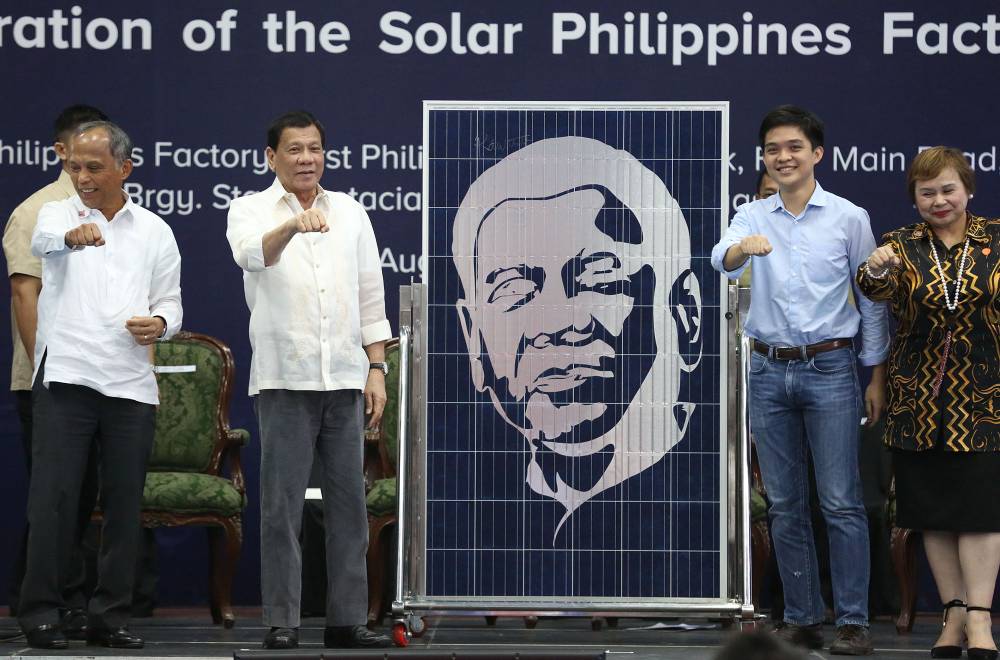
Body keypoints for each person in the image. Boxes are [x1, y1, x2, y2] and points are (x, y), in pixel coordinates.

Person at [452, 135, 703, 527]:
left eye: (600, 278)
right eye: (513, 291)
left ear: (686, 316)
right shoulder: (471, 517)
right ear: (474, 340)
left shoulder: (707, 500)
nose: (555, 323)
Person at [710, 105, 889, 656]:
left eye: (793, 147)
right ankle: (803, 617)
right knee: (785, 504)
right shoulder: (751, 214)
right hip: (767, 369)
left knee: (840, 502)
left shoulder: (848, 217)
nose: (782, 157)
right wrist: (742, 249)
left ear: (817, 154)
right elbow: (721, 258)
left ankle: (853, 621)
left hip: (831, 368)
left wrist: (875, 372)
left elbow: (871, 297)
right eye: (772, 149)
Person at [226, 110, 392, 650]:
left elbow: (370, 295)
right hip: (285, 378)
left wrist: (376, 368)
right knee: (282, 507)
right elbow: (252, 255)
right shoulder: (249, 209)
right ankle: (283, 620)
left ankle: (347, 621)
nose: (307, 159)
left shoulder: (351, 211)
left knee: (349, 507)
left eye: (315, 148)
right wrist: (293, 225)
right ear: (271, 157)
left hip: (343, 376)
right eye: (295, 149)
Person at [18, 121, 182, 649]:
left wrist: (160, 324)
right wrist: (72, 236)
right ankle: (41, 612)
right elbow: (43, 242)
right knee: (54, 500)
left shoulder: (154, 230)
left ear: (125, 168)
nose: (82, 177)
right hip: (67, 375)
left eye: (94, 167)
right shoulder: (57, 213)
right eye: (74, 167)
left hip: (129, 383)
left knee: (123, 506)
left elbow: (170, 301)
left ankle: (110, 616)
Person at [857, 146, 1000, 660]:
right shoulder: (900, 244)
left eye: (947, 190)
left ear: (968, 190)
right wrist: (875, 269)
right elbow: (872, 290)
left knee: (981, 511)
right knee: (932, 512)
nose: (939, 201)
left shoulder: (996, 239)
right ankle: (952, 613)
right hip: (916, 399)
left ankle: (980, 617)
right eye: (927, 193)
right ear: (914, 199)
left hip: (986, 398)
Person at [2, 104, 107, 631]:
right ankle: (45, 604)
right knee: (55, 495)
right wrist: (47, 373)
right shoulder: (37, 211)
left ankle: (55, 600)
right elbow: (26, 295)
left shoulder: (111, 211)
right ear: (63, 152)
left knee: (81, 496)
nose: (89, 164)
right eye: (81, 154)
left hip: (100, 379)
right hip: (49, 381)